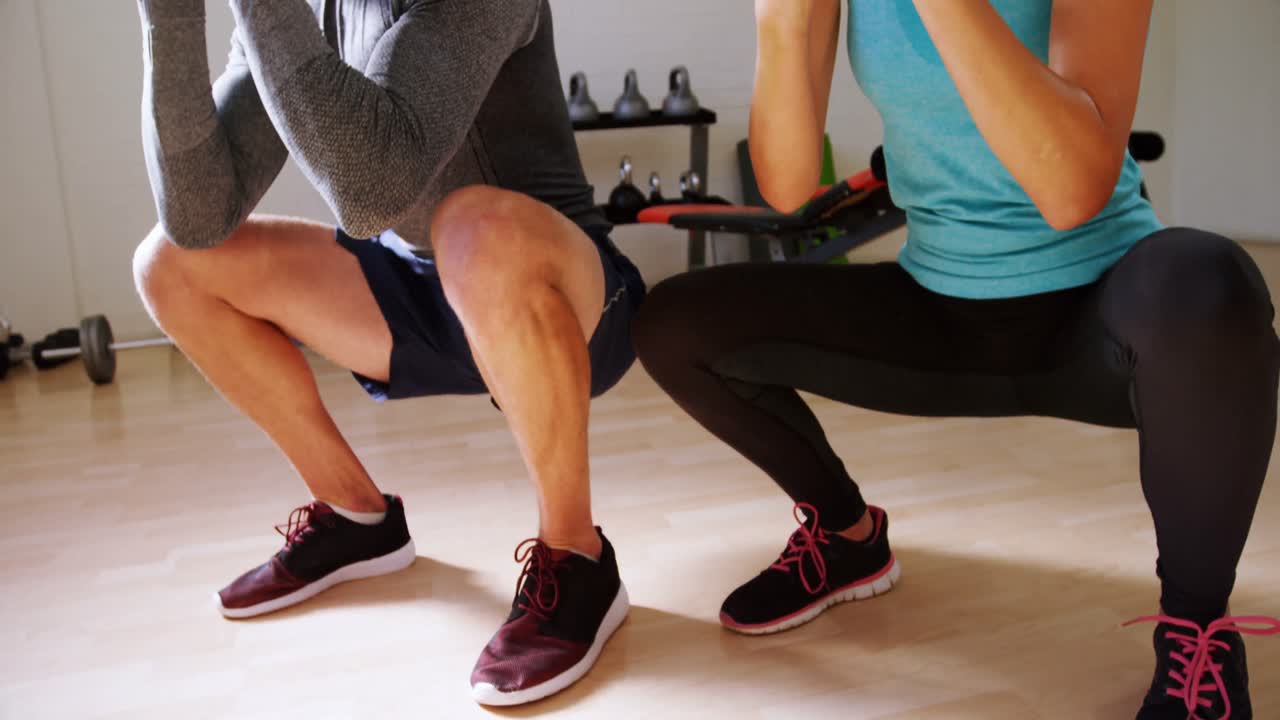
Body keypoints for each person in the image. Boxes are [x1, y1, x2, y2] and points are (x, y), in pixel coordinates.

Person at [632, 1, 1279, 717]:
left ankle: (1197, 633)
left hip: (1098, 320)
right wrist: (782, 21)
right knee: (676, 323)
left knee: (1209, 285)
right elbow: (787, 187)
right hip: (936, 308)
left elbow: (1072, 190)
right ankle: (848, 539)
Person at [131, 0, 642, 706]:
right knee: (170, 265)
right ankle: (354, 517)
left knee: (470, 226)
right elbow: (196, 215)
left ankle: (576, 556)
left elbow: (369, 189)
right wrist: (169, 17)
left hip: (566, 305)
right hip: (420, 295)